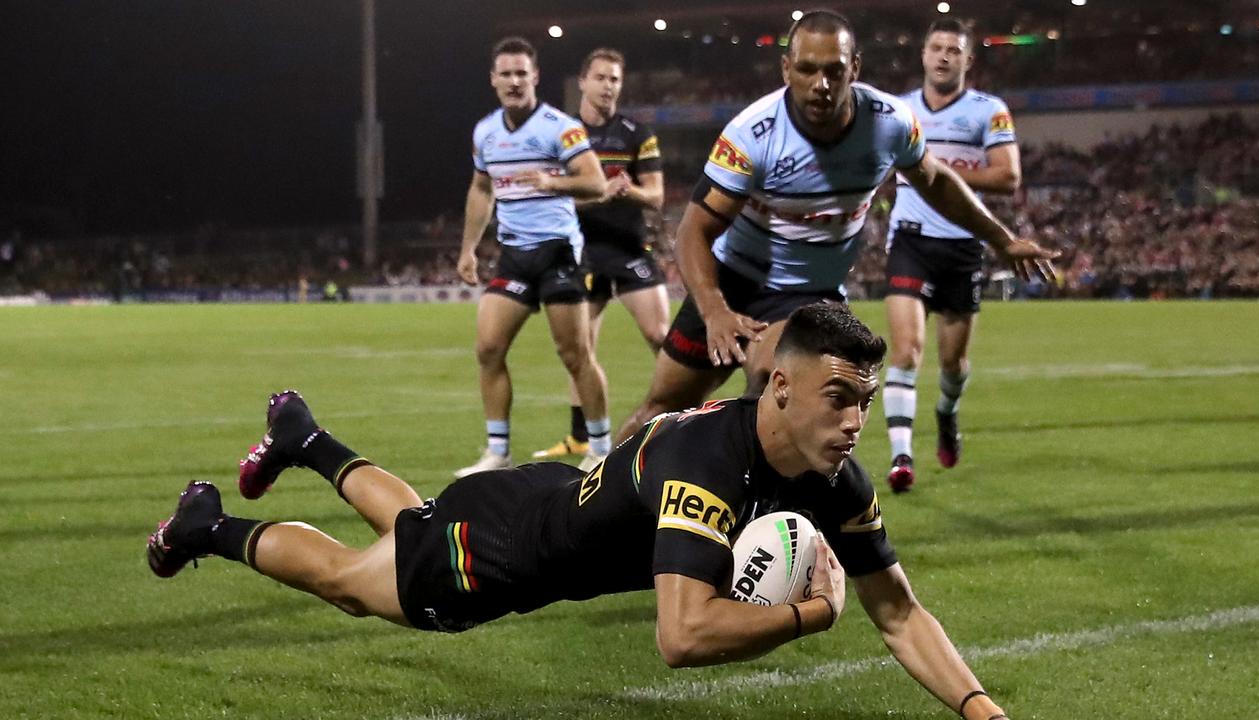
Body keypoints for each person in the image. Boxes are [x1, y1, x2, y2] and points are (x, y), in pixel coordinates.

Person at [146, 304, 1012, 719]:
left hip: (534, 494)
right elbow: (682, 637)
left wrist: (981, 710)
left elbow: (898, 611)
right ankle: (206, 527)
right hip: (505, 553)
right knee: (349, 581)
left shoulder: (834, 479)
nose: (856, 421)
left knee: (408, 530)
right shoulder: (708, 468)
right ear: (780, 388)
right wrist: (807, 613)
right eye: (838, 398)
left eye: (865, 400)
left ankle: (305, 437)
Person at [614, 10, 1056, 447]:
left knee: (775, 386)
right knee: (661, 410)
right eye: (806, 69)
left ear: (855, 69)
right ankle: (585, 500)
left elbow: (936, 181)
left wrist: (1002, 239)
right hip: (733, 279)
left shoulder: (888, 122)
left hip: (810, 293)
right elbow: (693, 230)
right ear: (786, 68)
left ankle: (751, 505)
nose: (820, 85)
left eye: (834, 71)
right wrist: (714, 310)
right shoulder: (752, 135)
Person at [454, 37, 612, 477]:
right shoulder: (485, 132)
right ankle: (498, 451)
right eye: (505, 73)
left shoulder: (560, 127)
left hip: (558, 253)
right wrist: (468, 248)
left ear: (535, 77)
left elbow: (596, 183)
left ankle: (600, 448)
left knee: (575, 354)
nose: (514, 81)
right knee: (488, 348)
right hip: (514, 255)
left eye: (522, 73)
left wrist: (551, 181)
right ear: (493, 79)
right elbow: (481, 188)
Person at [881, 20, 1023, 493]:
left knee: (952, 365)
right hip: (910, 241)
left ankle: (946, 413)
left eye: (953, 50)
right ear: (923, 55)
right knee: (905, 351)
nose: (944, 57)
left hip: (963, 246)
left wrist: (938, 173)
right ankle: (901, 456)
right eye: (936, 48)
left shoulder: (988, 111)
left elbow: (1007, 176)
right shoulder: (899, 110)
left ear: (968, 60)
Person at [533, 48, 669, 465]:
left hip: (628, 249)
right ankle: (581, 438)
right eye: (601, 78)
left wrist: (628, 190)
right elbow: (551, 197)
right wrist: (596, 194)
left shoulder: (636, 131)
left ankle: (687, 415)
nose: (608, 86)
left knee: (661, 336)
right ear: (583, 82)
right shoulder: (563, 135)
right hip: (581, 253)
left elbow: (657, 196)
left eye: (615, 79)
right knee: (579, 348)